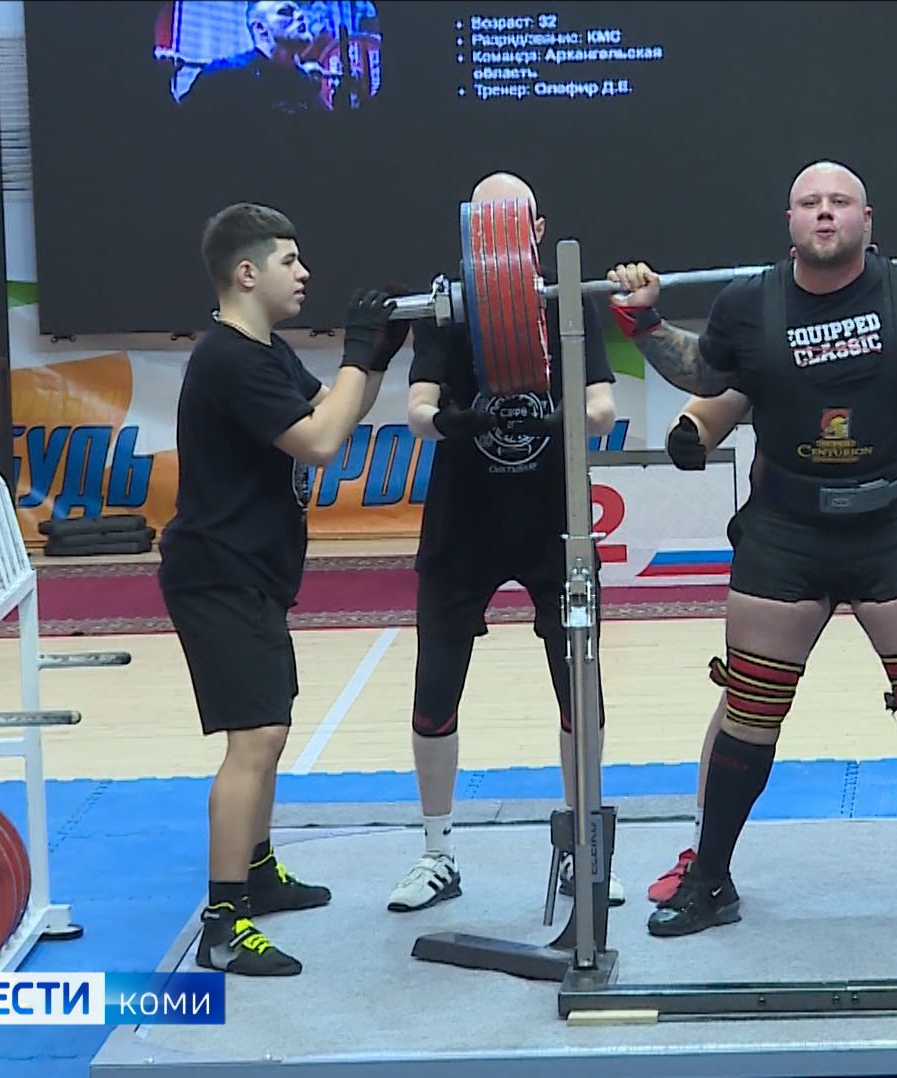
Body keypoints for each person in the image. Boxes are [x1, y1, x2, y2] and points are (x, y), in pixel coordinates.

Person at [606, 160, 897, 936]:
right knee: (750, 710)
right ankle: (709, 880)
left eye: (839, 202)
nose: (824, 213)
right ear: (789, 221)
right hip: (785, 530)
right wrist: (642, 322)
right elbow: (704, 372)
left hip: (893, 527)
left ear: (865, 219)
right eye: (809, 202)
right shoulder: (748, 303)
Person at [647, 385, 897, 903]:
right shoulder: (763, 332)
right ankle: (705, 857)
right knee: (746, 697)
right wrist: (687, 433)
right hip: (785, 536)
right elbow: (707, 408)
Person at [158, 202, 407, 976]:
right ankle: (224, 924)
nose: (305, 274)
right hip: (217, 573)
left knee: (271, 726)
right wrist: (358, 352)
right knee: (255, 739)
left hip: (251, 569)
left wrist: (377, 359)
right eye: (289, 262)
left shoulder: (262, 352)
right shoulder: (229, 359)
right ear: (246, 272)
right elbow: (321, 443)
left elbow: (334, 410)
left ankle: (259, 873)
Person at [387, 172, 623, 914]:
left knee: (579, 693)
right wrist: (453, 422)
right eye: (486, 222)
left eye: (513, 220)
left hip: (554, 529)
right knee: (434, 694)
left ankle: (584, 848)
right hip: (463, 530)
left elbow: (602, 406)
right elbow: (418, 408)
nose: (501, 235)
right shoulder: (445, 306)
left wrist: (565, 418)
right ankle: (436, 853)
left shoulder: (570, 299)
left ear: (536, 230)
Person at [182, 1, 327, 116]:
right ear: (260, 28)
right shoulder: (224, 75)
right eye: (285, 12)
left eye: (299, 11)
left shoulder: (306, 84)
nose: (300, 16)